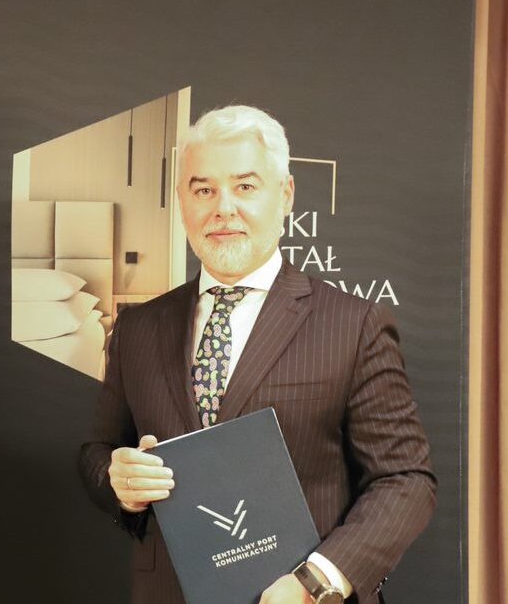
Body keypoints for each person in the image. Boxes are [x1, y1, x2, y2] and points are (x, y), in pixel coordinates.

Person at [78, 105, 435, 604]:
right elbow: (98, 451)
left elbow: (405, 479)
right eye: (204, 190)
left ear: (285, 195)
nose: (223, 208)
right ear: (181, 201)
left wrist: (317, 582)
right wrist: (118, 480)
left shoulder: (354, 325)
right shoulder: (137, 328)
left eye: (245, 186)